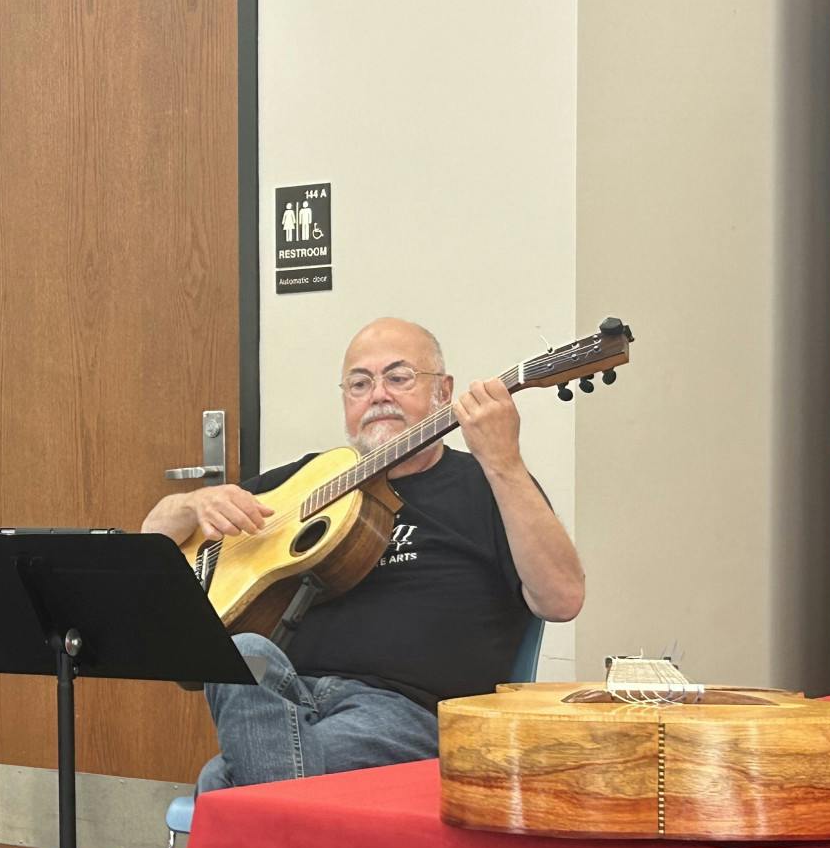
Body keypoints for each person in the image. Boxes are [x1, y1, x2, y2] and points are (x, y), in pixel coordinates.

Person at [142, 317, 584, 789]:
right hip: (288, 693)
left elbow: (562, 599)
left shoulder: (490, 482)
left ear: (444, 391)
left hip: (407, 714)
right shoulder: (311, 480)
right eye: (359, 383)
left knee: (224, 782)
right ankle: (279, 811)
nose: (378, 395)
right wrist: (192, 504)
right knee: (243, 652)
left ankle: (260, 803)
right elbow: (154, 536)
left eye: (398, 377)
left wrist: (504, 461)